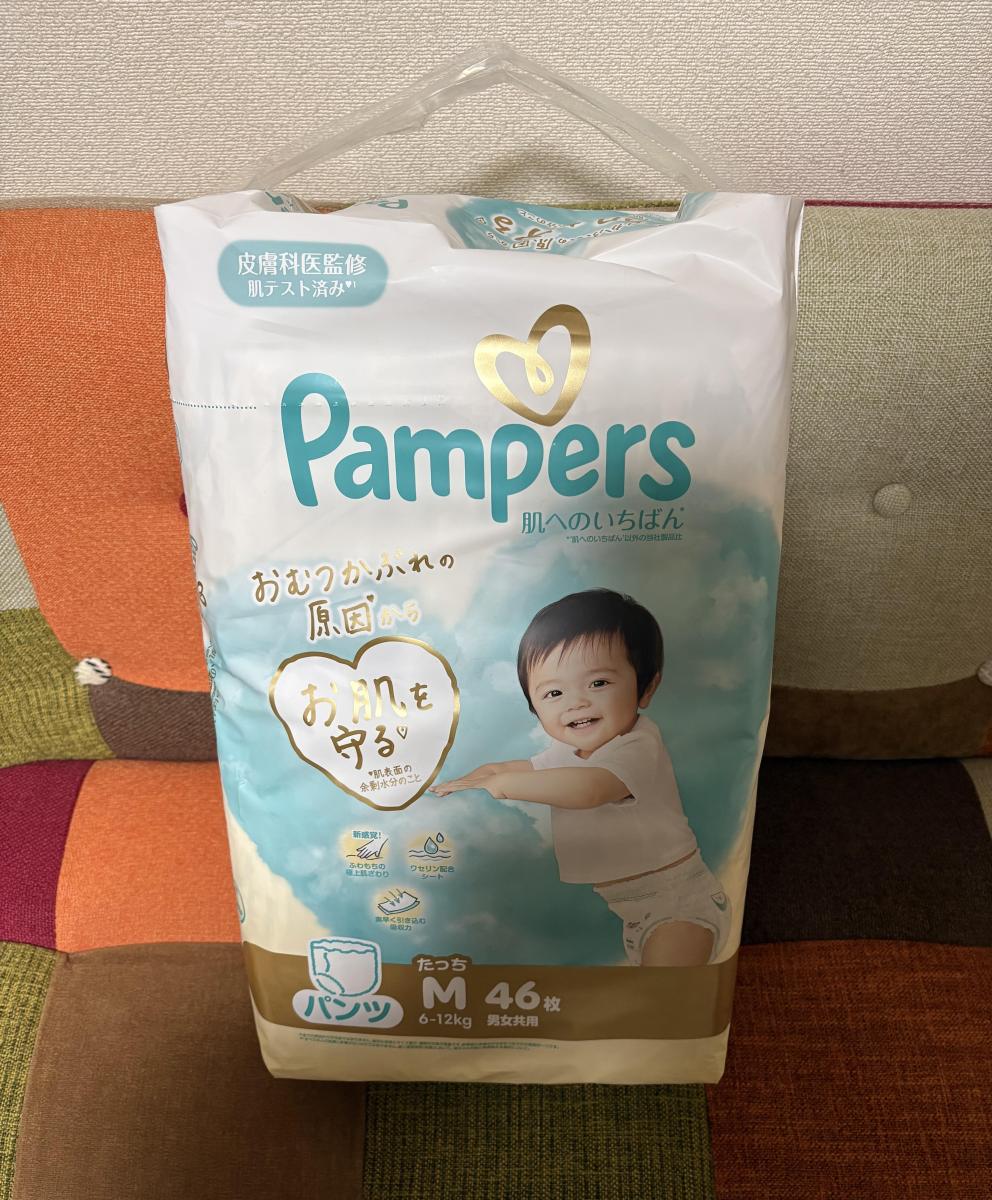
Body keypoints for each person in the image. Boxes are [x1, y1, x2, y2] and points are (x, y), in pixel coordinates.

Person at [431, 588, 731, 966]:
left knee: (665, 991)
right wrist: (473, 779)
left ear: (646, 688)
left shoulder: (638, 743)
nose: (576, 702)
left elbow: (590, 789)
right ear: (533, 706)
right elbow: (513, 768)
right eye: (554, 692)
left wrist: (503, 786)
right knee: (650, 991)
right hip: (633, 913)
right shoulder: (566, 753)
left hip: (680, 903)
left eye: (598, 683)